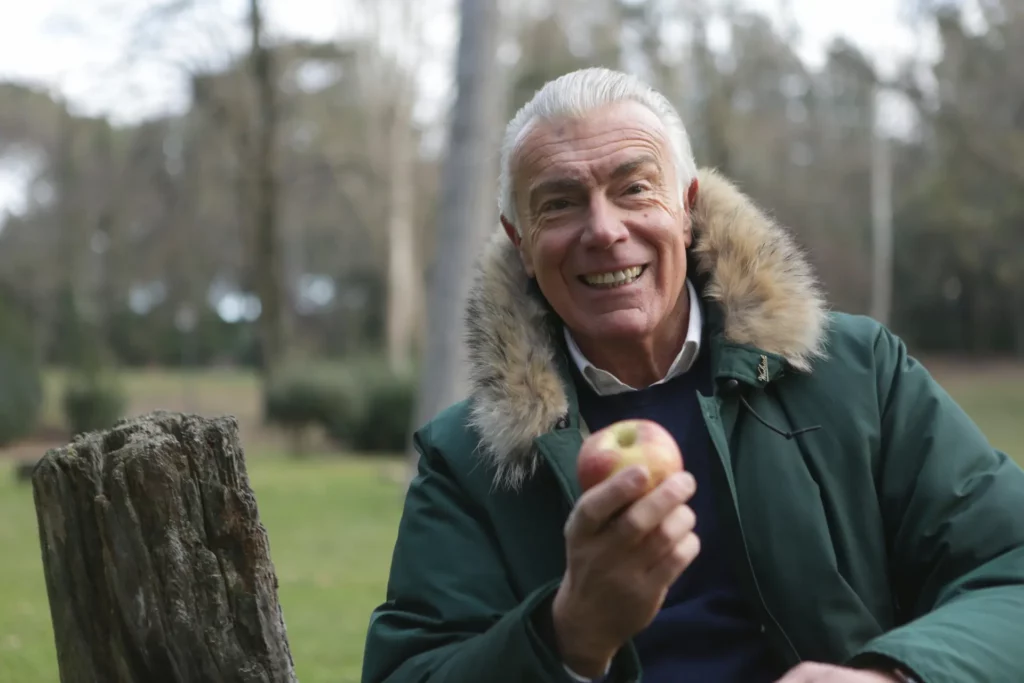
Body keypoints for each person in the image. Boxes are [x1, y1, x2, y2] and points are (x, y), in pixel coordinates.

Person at [360, 67, 1024, 683]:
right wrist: (569, 631)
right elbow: (409, 670)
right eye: (559, 204)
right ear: (521, 241)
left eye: (634, 189)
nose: (604, 229)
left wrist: (895, 674)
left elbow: (1009, 565)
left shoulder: (855, 375)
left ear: (687, 204)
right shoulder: (468, 459)